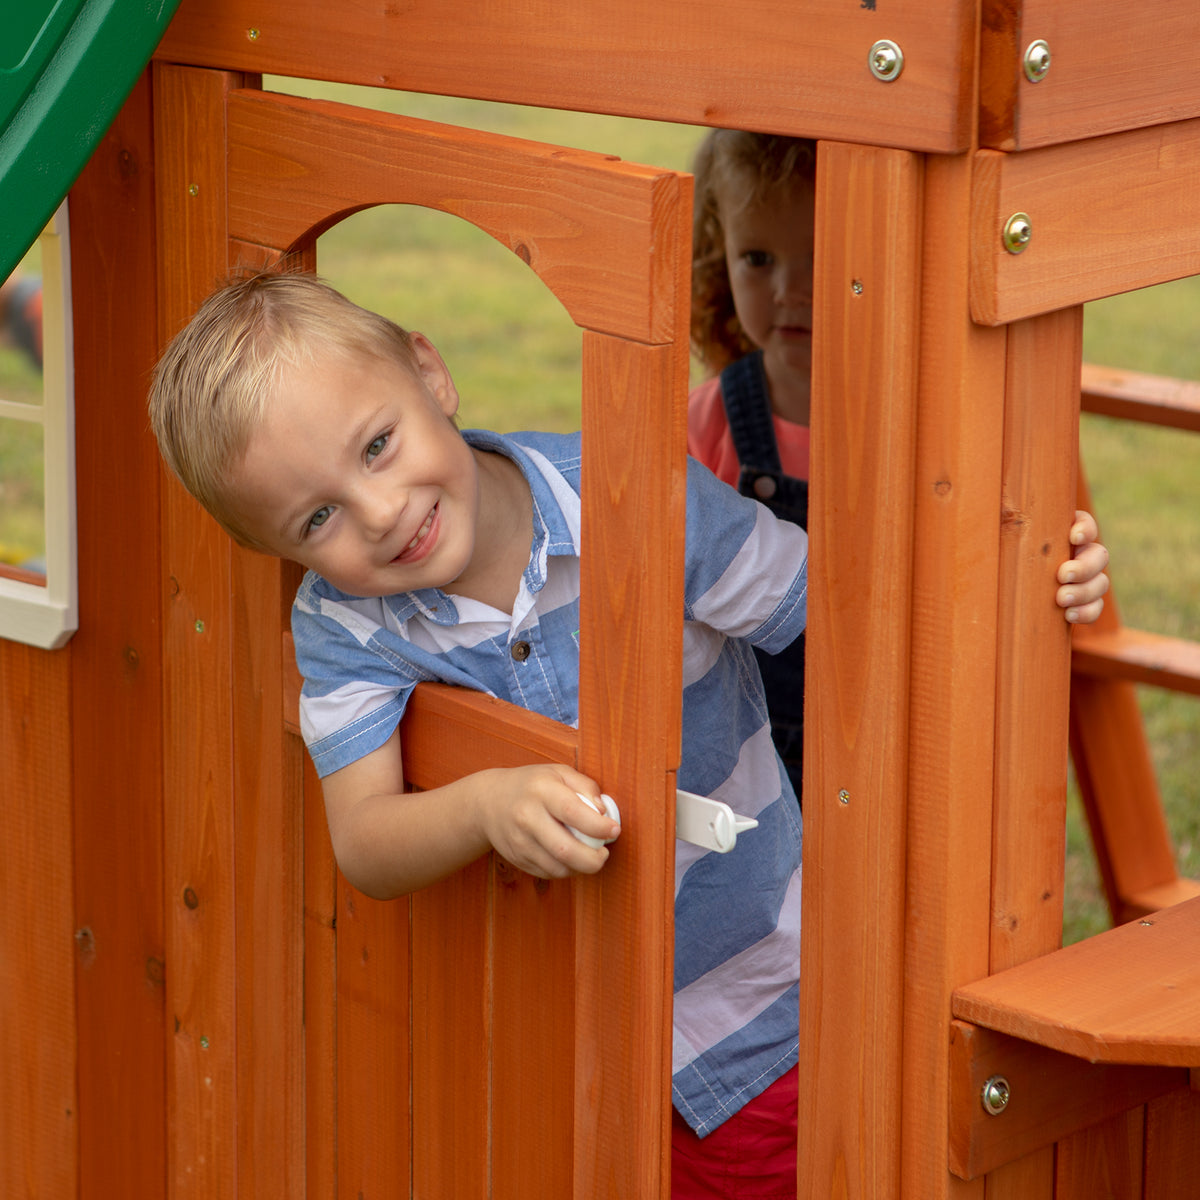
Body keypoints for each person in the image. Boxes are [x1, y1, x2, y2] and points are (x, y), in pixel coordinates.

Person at [149, 271, 1108, 1198]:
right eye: (317, 517)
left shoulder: (636, 497)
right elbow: (365, 839)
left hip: (762, 1003)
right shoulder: (345, 623)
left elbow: (853, 611)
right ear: (273, 550)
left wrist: (1027, 579)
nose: (382, 511)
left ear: (428, 373)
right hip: (563, 1045)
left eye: (377, 446)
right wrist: (485, 803)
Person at [687, 128, 1110, 799]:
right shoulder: (702, 426)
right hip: (744, 765)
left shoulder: (938, 425)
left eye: (826, 258)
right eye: (758, 257)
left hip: (907, 752)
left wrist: (1071, 571)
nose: (790, 289)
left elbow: (1013, 542)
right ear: (720, 257)